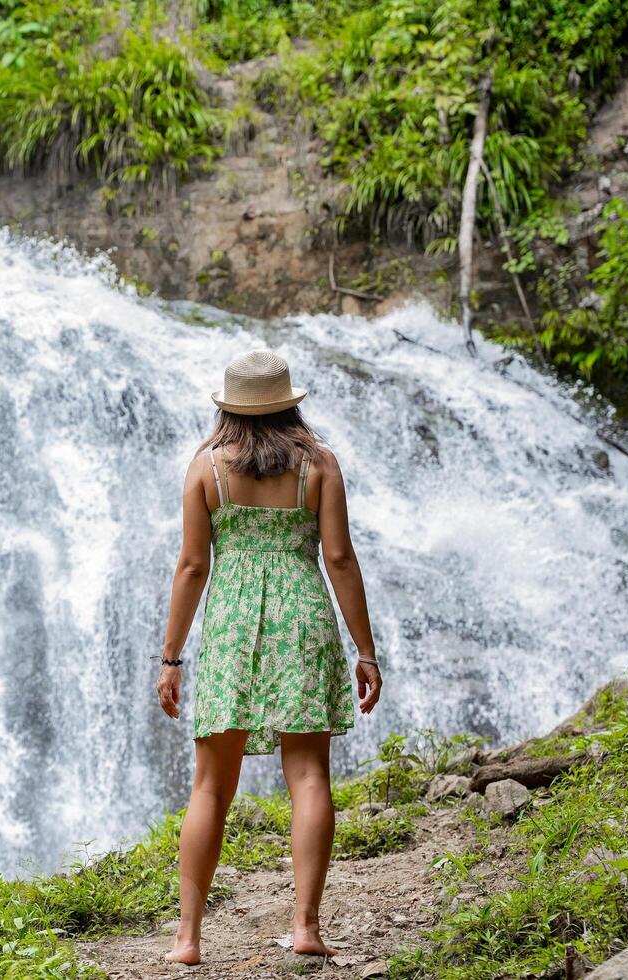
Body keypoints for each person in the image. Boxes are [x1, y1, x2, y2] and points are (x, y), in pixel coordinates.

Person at [156, 348, 381, 965]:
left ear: (229, 407)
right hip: (303, 616)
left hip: (231, 624)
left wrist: (171, 657)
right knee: (308, 776)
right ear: (289, 403)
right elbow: (339, 560)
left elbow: (193, 566)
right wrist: (365, 651)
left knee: (209, 787)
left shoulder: (207, 467)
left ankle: (188, 939)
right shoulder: (321, 465)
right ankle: (306, 927)